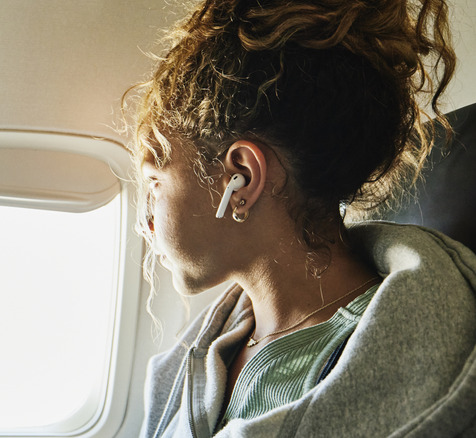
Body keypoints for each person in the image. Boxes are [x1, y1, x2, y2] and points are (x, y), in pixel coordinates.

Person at [124, 0, 476, 436]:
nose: (145, 222)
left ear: (242, 178)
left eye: (155, 184)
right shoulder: (212, 349)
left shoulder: (397, 358)